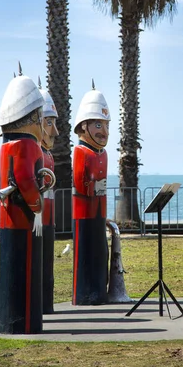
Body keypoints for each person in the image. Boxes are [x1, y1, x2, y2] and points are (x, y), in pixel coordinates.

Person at [0, 69, 48, 334]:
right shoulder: (27, 146)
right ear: (31, 118)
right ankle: (25, 323)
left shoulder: (7, 144)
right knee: (26, 270)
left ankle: (14, 320)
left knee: (12, 268)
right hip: (25, 220)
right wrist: (37, 203)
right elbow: (26, 180)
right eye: (40, 119)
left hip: (10, 220)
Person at [72, 81, 110, 305]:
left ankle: (99, 290)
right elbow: (79, 182)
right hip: (84, 212)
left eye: (106, 125)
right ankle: (85, 293)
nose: (104, 132)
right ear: (84, 126)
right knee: (85, 253)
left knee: (99, 253)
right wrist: (93, 188)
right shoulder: (80, 151)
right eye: (97, 125)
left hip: (99, 210)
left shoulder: (103, 153)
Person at [38, 79, 59, 314]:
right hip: (37, 218)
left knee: (47, 263)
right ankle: (40, 304)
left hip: (48, 217)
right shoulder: (32, 150)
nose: (55, 131)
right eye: (49, 123)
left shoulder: (47, 153)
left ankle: (46, 304)